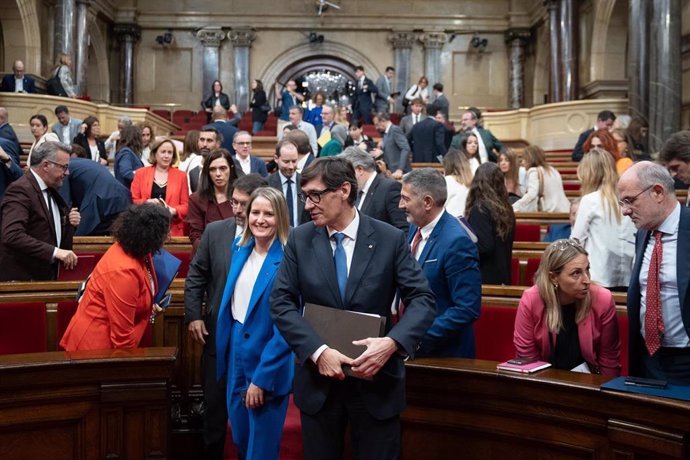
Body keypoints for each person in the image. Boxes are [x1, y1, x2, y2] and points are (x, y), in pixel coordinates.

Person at [270, 157, 435, 460]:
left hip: (376, 383)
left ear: (344, 190)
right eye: (305, 196)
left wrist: (392, 343)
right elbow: (281, 303)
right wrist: (318, 351)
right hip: (319, 385)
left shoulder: (389, 238)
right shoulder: (299, 238)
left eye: (315, 195)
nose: (308, 205)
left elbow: (423, 300)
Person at [184, 173, 268, 460]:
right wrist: (194, 315)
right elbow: (196, 276)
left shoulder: (277, 237)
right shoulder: (216, 231)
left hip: (258, 341)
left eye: (244, 204)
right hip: (217, 337)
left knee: (256, 410)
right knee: (216, 408)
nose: (237, 210)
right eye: (234, 202)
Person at [216, 187, 294, 460]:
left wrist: (262, 378)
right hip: (236, 355)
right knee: (240, 437)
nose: (260, 219)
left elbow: (287, 328)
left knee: (260, 450)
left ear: (281, 218)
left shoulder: (288, 261)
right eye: (255, 212)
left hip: (268, 359)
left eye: (269, 214)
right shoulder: (240, 250)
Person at [60, 204, 171, 350]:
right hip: (95, 351)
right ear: (151, 237)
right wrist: (149, 315)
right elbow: (123, 342)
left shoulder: (135, 249)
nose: (168, 238)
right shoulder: (124, 272)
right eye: (165, 234)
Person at [618, 161, 690, 383]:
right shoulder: (643, 233)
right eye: (622, 203)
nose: (625, 211)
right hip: (648, 358)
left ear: (658, 192)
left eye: (630, 200)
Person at [400, 168, 481, 357]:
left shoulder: (457, 242)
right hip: (411, 348)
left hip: (443, 356)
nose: (400, 205)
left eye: (405, 198)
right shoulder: (414, 228)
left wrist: (413, 337)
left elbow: (466, 308)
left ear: (427, 202)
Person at [513, 239, 621, 376]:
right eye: (576, 273)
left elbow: (609, 360)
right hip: (543, 382)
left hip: (589, 384)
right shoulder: (532, 300)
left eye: (587, 269)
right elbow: (527, 359)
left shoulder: (602, 299)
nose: (586, 280)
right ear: (553, 277)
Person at [0, 141, 80, 281]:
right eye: (64, 167)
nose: (67, 173)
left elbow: (48, 230)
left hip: (45, 277)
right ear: (46, 165)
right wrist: (55, 252)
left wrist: (68, 223)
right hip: (24, 281)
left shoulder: (51, 190)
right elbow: (12, 235)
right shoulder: (20, 190)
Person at [571, 149, 636, 289]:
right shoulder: (628, 197)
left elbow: (576, 242)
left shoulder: (590, 200)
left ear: (589, 174)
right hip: (630, 275)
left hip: (599, 276)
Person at [465, 163, 515, 285]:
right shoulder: (505, 207)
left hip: (486, 277)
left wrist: (463, 244)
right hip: (502, 273)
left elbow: (485, 246)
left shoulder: (480, 208)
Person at [339, 146, 408, 231]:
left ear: (360, 169)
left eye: (347, 174)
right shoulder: (356, 191)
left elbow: (403, 229)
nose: (345, 179)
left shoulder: (389, 188)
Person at [59, 157, 132, 236]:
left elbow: (64, 204)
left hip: (100, 200)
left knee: (78, 239)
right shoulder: (79, 162)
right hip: (122, 197)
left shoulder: (64, 169)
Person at [130, 138, 189, 236]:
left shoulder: (181, 176)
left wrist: (173, 210)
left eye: (170, 152)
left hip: (172, 229)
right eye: (163, 152)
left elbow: (186, 206)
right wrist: (146, 203)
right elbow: (133, 200)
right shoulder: (140, 173)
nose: (166, 156)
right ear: (155, 153)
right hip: (144, 227)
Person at [187, 148, 239, 252]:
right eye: (212, 169)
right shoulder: (196, 199)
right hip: (207, 255)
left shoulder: (241, 197)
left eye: (223, 168)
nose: (218, 174)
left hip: (236, 253)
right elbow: (195, 236)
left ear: (231, 169)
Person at [512, 145, 570, 213]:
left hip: (551, 212)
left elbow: (531, 194)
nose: (522, 162)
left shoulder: (533, 171)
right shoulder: (553, 169)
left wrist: (514, 207)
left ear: (530, 159)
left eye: (524, 159)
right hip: (565, 210)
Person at [267, 140, 310, 226]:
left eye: (294, 161)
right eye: (286, 162)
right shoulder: (266, 184)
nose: (291, 166)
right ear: (276, 159)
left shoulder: (307, 183)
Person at [372, 111, 411, 180]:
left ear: (383, 121)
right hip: (392, 172)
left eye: (377, 124)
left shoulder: (394, 130)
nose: (376, 128)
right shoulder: (386, 133)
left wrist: (400, 169)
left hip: (401, 173)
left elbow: (405, 148)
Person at [442, 148, 473, 217]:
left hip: (450, 223)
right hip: (466, 224)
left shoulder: (447, 180)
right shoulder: (471, 183)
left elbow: (438, 206)